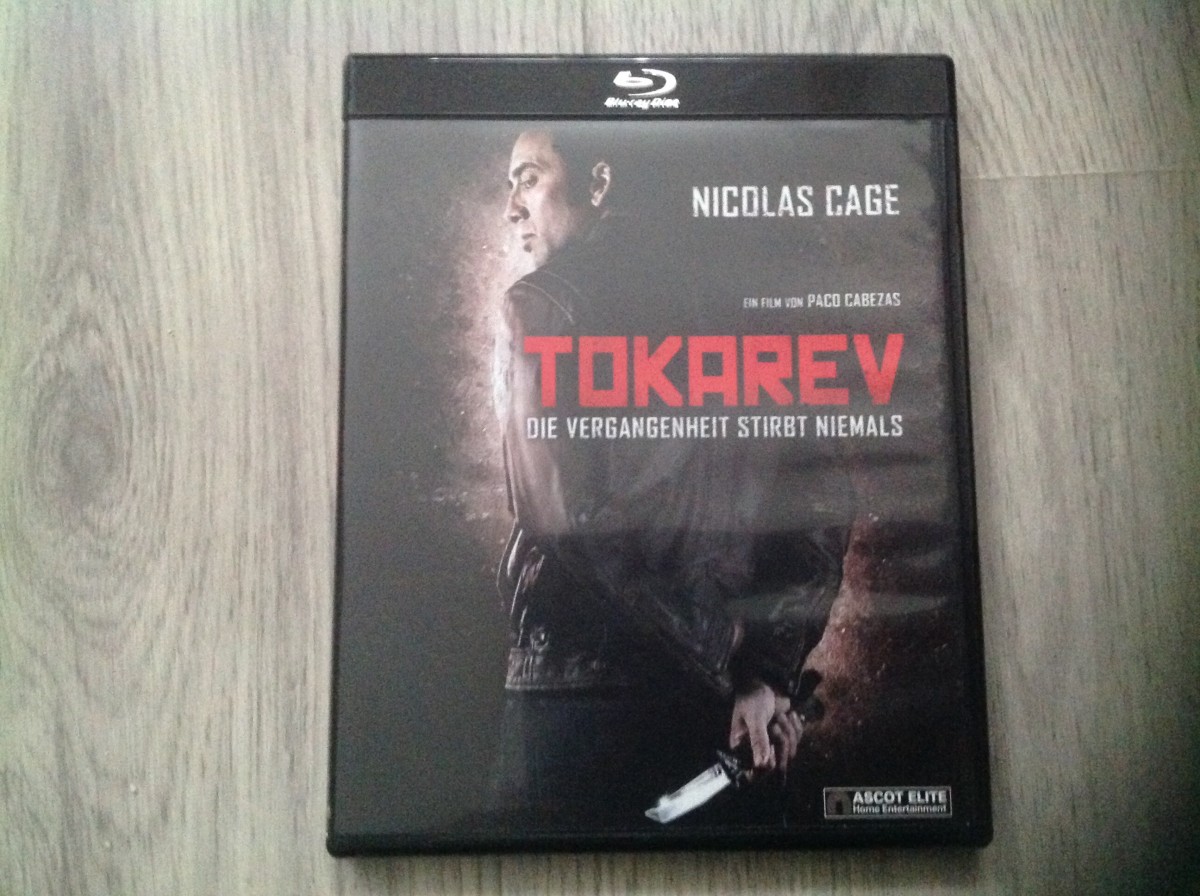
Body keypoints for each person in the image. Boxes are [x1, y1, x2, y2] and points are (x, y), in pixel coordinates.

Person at [491, 129, 844, 830]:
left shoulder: (542, 304)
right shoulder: (767, 302)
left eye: (529, 178)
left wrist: (732, 661)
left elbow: (565, 521)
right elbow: (821, 503)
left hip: (582, 696)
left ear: (598, 182)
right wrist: (763, 674)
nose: (513, 207)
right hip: (736, 712)